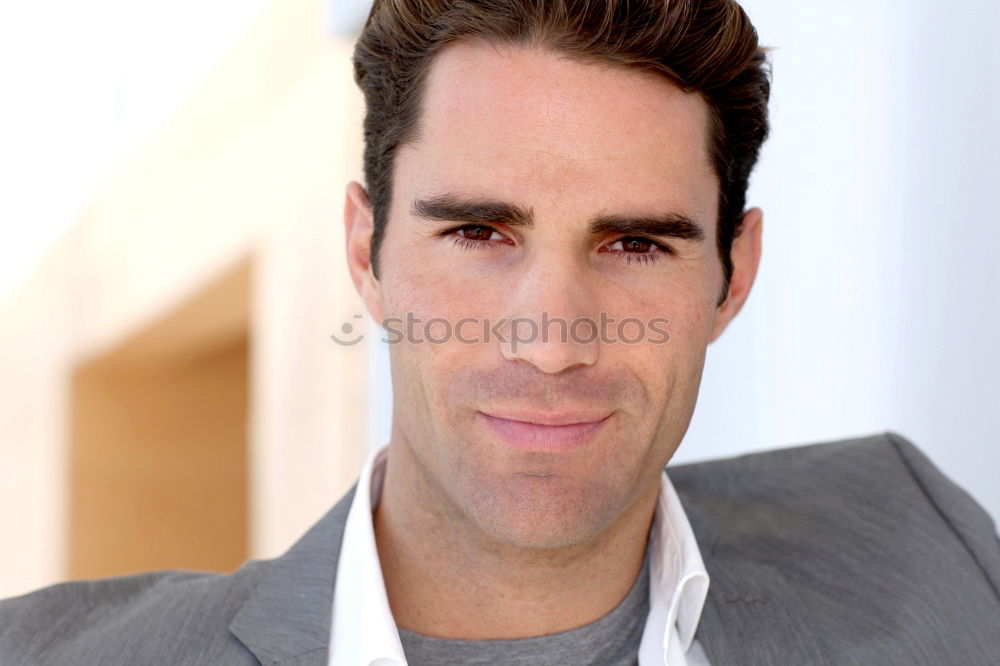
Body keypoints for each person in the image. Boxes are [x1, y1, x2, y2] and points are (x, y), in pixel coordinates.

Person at [3, 0, 999, 664]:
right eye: (479, 232)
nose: (553, 338)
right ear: (367, 251)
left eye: (637, 245)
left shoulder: (922, 540)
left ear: (732, 275)